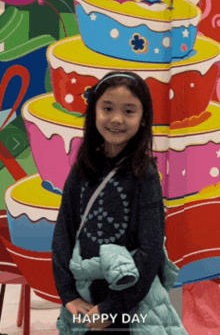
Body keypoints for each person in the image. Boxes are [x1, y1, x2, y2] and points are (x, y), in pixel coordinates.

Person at [52, 71, 165, 333]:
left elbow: (151, 250)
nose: (116, 119)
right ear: (94, 113)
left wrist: (112, 308)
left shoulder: (145, 174)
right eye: (107, 108)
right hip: (84, 296)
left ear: (143, 118)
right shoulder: (82, 168)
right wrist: (68, 294)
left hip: (129, 301)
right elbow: (63, 233)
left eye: (129, 111)